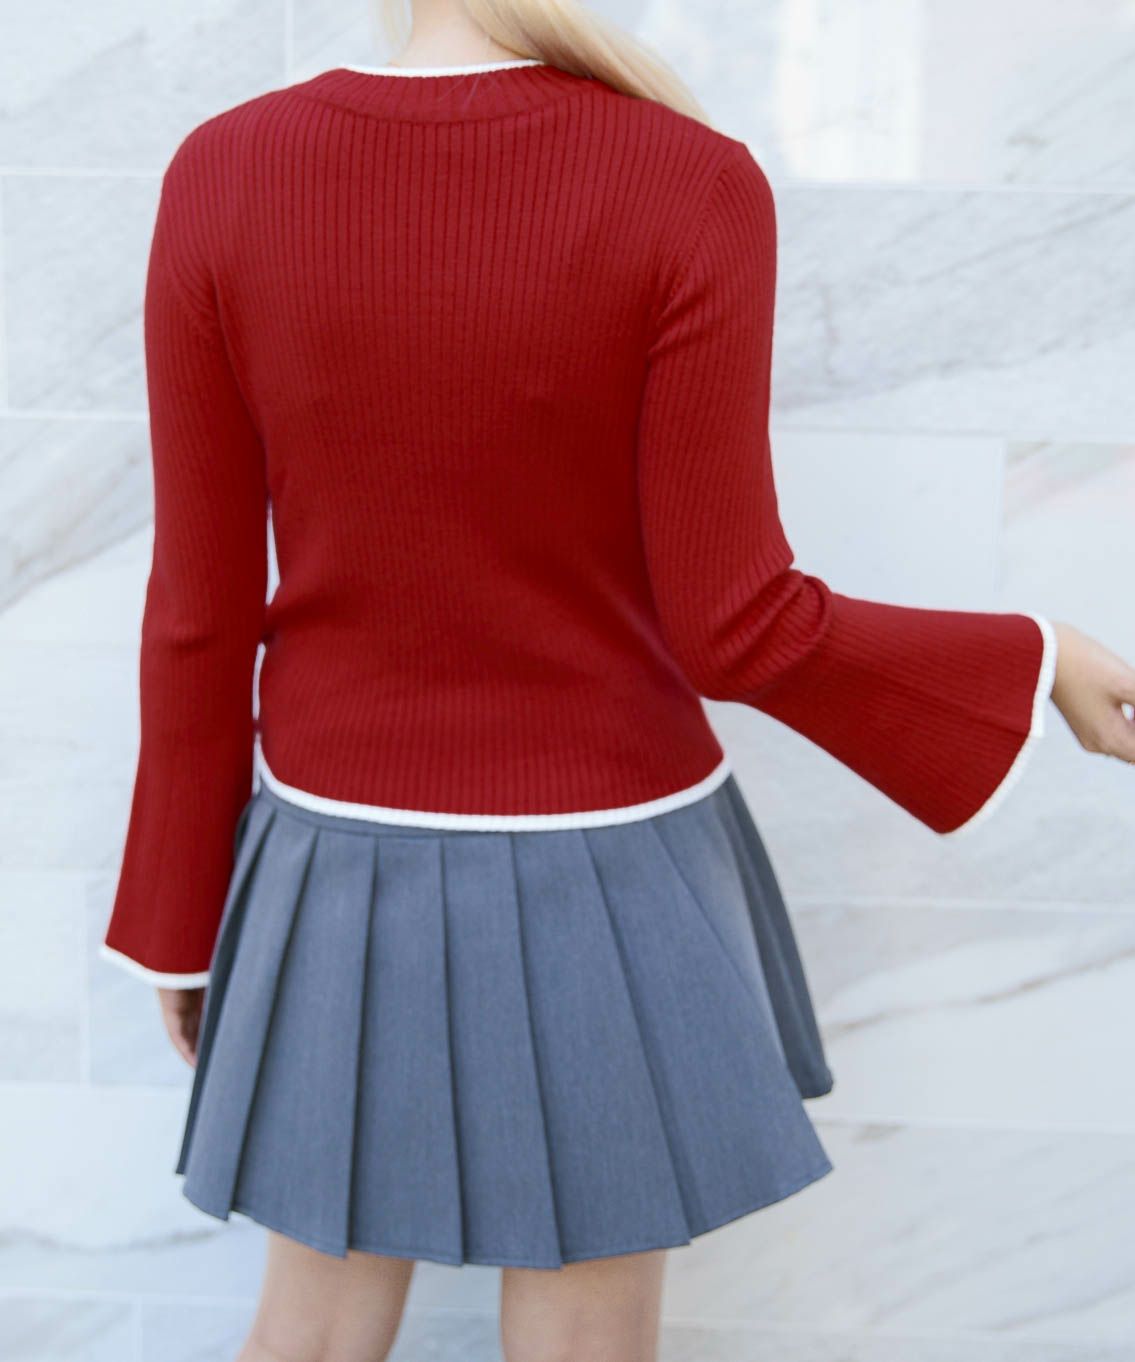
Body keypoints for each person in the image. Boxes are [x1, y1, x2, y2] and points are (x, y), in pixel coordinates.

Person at [98, 1, 1135, 1359]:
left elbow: (198, 610)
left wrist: (179, 923)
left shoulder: (226, 169)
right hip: (613, 861)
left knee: (313, 1332)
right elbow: (737, 624)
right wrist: (1036, 657)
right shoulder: (688, 178)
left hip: (335, 858)